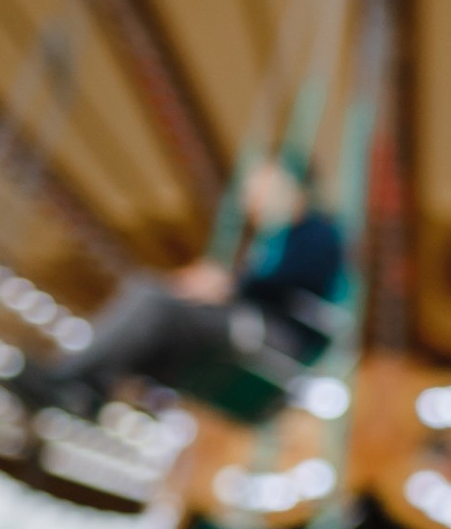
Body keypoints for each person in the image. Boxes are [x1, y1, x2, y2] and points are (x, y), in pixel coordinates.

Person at [18, 159, 346, 422]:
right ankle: (89, 389)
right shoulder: (271, 242)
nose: (251, 202)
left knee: (152, 298)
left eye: (260, 189)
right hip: (249, 328)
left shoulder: (316, 232)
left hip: (270, 335)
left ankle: (66, 377)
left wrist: (226, 284)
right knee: (157, 337)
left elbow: (285, 281)